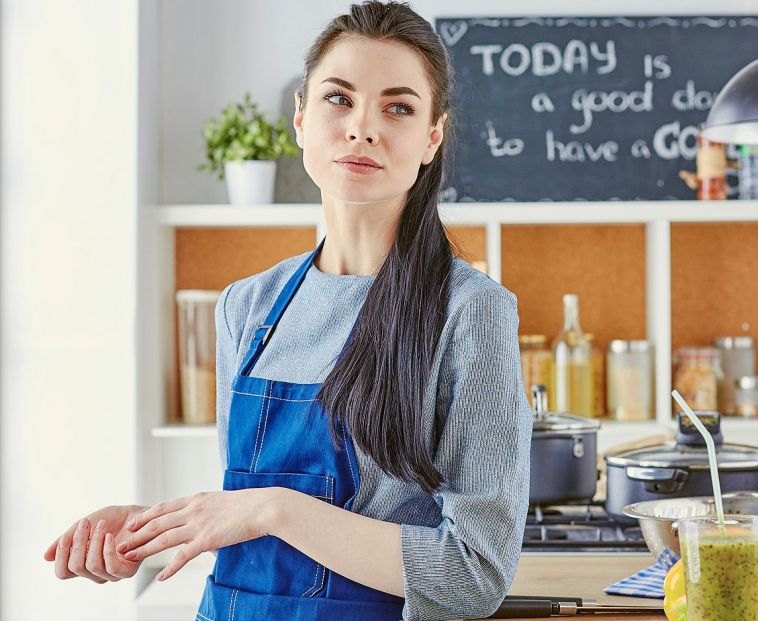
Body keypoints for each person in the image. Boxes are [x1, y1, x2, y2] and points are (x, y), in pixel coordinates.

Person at [42, 2, 533, 619]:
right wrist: (150, 529)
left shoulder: (469, 312)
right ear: (301, 117)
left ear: (431, 137)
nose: (362, 128)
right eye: (338, 98)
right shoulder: (247, 307)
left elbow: (474, 573)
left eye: (398, 107)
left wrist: (274, 507)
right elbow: (251, 519)